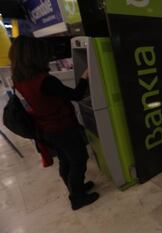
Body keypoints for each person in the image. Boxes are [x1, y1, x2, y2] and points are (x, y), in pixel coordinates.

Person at [8, 35, 99, 210]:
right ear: (35, 56)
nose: (48, 56)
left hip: (45, 129)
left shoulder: (19, 80)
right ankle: (77, 198)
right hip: (62, 127)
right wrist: (85, 77)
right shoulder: (46, 81)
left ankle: (75, 188)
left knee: (65, 160)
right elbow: (77, 95)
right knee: (79, 159)